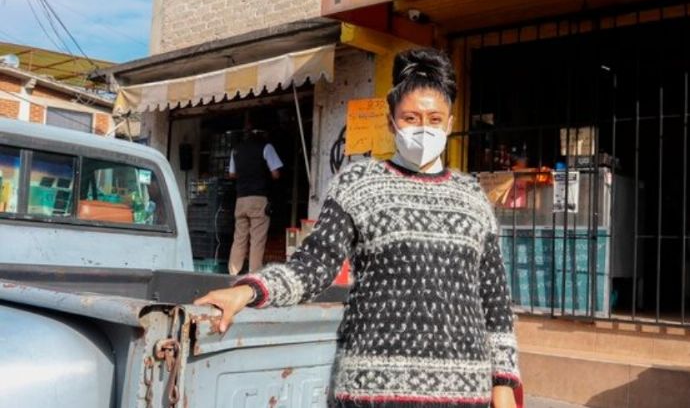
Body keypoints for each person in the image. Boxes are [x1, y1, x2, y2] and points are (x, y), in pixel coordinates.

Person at [195, 49, 522, 408]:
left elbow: (493, 297)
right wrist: (248, 291)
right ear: (391, 122)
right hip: (371, 388)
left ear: (448, 123)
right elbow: (314, 264)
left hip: (464, 391)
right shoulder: (359, 183)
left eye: (434, 118)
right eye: (411, 118)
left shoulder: (471, 195)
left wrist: (503, 383)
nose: (423, 128)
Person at [227, 119, 283, 276]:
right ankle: (254, 275)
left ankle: (232, 272)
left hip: (241, 199)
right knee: (257, 239)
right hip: (258, 198)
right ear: (261, 132)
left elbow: (231, 174)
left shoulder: (236, 150)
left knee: (239, 238)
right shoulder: (266, 146)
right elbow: (276, 173)